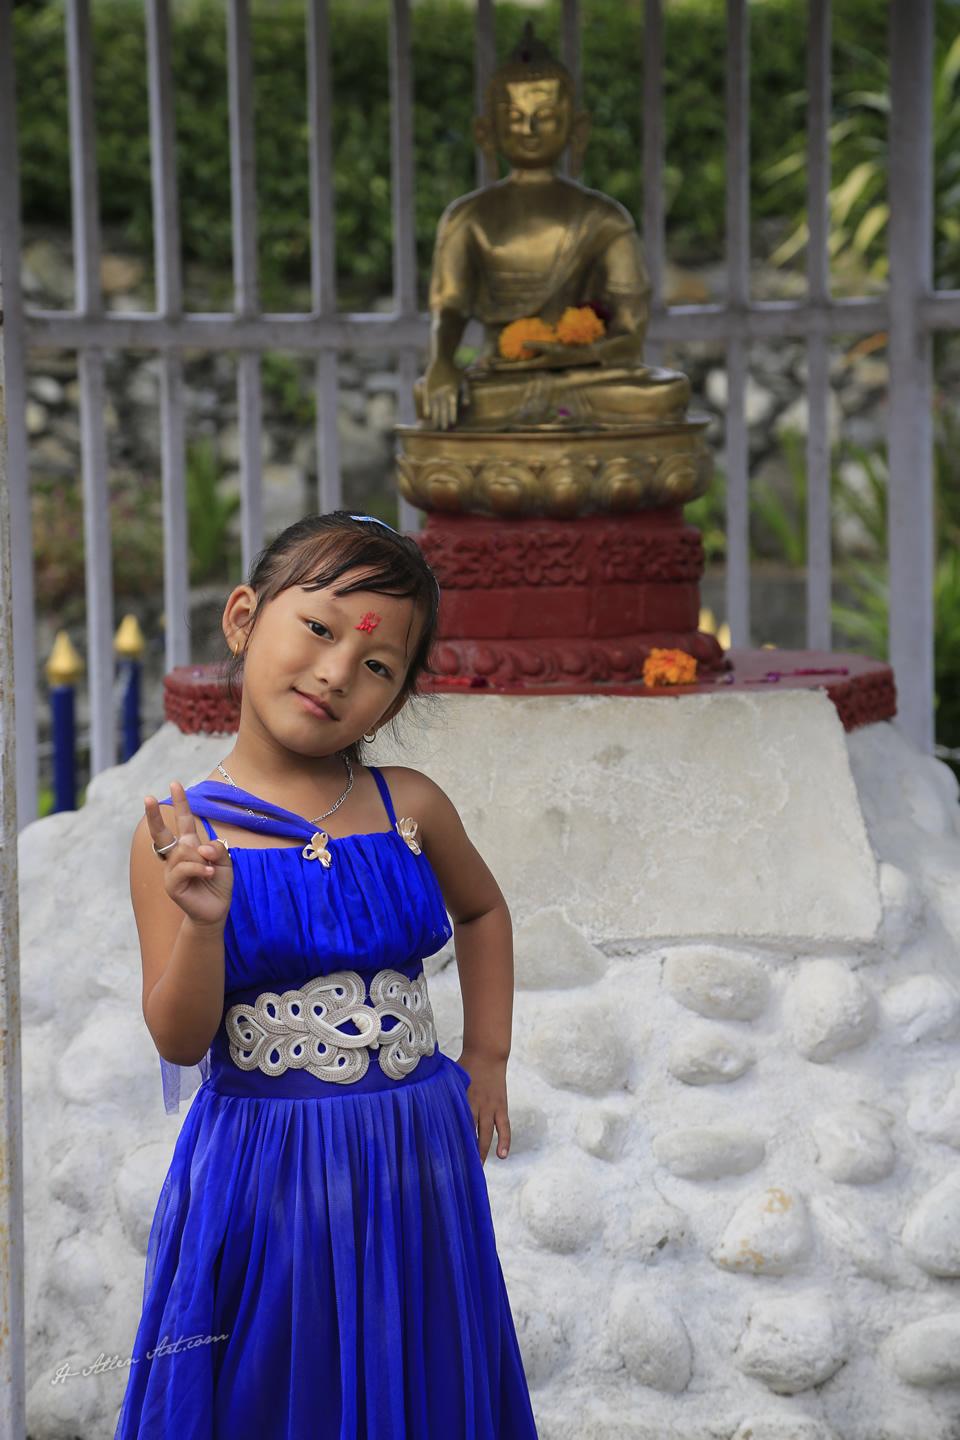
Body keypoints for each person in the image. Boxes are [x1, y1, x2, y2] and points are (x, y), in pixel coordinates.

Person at [114, 510, 540, 1438]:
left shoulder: (410, 807)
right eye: (317, 627)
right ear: (242, 619)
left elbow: (483, 912)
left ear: (396, 700)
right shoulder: (182, 838)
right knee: (279, 1386)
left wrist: (490, 1055)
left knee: (417, 1369)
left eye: (378, 665)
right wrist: (204, 926)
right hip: (269, 1174)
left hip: (415, 1159)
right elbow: (179, 1041)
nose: (338, 671)